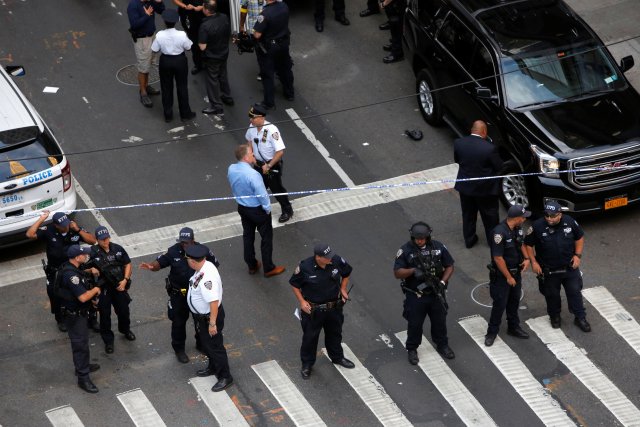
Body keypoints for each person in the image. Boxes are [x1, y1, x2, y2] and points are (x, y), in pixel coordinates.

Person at [139, 227, 220, 363]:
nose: (184, 245)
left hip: (197, 295)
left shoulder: (201, 251)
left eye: (187, 242)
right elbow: (159, 263)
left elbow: (214, 265)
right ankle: (179, 349)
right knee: (178, 323)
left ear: (193, 241)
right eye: (182, 242)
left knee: (200, 321)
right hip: (179, 295)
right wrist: (151, 266)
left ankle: (201, 344)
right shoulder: (173, 251)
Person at [290, 243, 355, 379]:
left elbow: (347, 272)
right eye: (327, 257)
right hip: (313, 310)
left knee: (335, 334)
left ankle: (337, 357)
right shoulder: (304, 267)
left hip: (333, 308)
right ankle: (307, 364)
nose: (330, 259)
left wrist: (343, 288)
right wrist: (302, 302)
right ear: (318, 257)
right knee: (310, 338)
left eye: (330, 256)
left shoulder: (336, 260)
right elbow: (294, 285)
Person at [524, 201, 591, 332]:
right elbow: (528, 245)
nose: (549, 218)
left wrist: (577, 255)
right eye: (547, 215)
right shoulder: (537, 226)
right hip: (548, 270)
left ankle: (580, 317)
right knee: (551, 296)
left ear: (560, 214)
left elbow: (580, 237)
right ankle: (555, 317)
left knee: (575, 292)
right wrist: (534, 262)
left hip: (569, 267)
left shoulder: (570, 222)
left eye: (553, 216)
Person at [394, 222, 455, 364]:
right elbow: (397, 273)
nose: (420, 240)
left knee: (440, 322)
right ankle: (412, 349)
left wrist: (443, 282)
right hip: (416, 295)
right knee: (415, 324)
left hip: (436, 293)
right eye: (417, 238)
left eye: (422, 238)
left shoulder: (438, 247)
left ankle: (442, 345)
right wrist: (413, 271)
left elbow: (450, 265)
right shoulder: (405, 250)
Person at [26, 210, 97, 332]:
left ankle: (92, 319)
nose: (66, 226)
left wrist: (78, 230)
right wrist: (42, 219)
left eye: (67, 223)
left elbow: (92, 241)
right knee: (54, 294)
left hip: (75, 269)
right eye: (63, 225)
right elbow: (30, 234)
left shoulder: (74, 228)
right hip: (56, 271)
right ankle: (60, 319)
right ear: (56, 225)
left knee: (85, 290)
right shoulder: (49, 231)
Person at [227, 143, 286, 278]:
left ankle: (252, 264)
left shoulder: (231, 169)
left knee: (248, 236)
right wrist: (267, 209)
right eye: (252, 154)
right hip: (257, 210)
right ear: (246, 157)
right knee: (266, 238)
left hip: (243, 208)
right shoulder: (253, 175)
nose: (254, 156)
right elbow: (262, 195)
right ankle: (268, 267)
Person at [185, 243, 233, 392]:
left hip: (209, 318)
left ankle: (225, 376)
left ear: (193, 261)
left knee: (215, 347)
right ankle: (213, 367)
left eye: (187, 259)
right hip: (203, 317)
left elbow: (213, 302)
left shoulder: (207, 278)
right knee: (208, 345)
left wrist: (212, 324)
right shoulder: (204, 266)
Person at [484, 204, 531, 347]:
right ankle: (491, 333)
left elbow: (521, 243)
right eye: (523, 217)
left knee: (514, 301)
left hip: (516, 272)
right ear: (516, 218)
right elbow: (498, 258)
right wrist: (508, 277)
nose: (524, 219)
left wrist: (527, 258)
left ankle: (513, 327)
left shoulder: (517, 229)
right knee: (500, 304)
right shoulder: (499, 233)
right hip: (502, 276)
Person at [57, 245, 102, 393]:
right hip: (75, 316)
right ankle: (83, 378)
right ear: (77, 257)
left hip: (76, 312)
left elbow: (79, 275)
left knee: (82, 343)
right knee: (80, 345)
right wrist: (95, 290)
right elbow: (83, 297)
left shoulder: (71, 267)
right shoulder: (72, 276)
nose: (86, 256)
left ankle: (82, 366)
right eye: (84, 254)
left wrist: (88, 271)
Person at [454, 120, 503, 248]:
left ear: (472, 130)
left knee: (468, 214)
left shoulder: (459, 143)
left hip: (466, 188)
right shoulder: (490, 148)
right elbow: (498, 167)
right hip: (485, 190)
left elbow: (457, 160)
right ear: (484, 132)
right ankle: (493, 242)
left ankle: (469, 240)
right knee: (490, 216)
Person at [88, 226, 136, 355]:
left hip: (118, 285)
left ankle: (125, 330)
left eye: (107, 238)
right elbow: (81, 268)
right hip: (103, 288)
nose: (106, 241)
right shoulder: (93, 252)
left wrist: (125, 279)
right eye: (102, 239)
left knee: (124, 311)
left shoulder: (118, 249)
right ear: (97, 240)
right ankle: (108, 341)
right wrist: (91, 270)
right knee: (105, 316)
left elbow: (128, 263)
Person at [246, 103, 294, 223]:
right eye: (250, 117)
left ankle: (287, 210)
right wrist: (250, 155)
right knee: (257, 188)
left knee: (277, 189)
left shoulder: (272, 130)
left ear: (261, 117)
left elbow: (279, 152)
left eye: (253, 117)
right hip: (257, 164)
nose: (250, 119)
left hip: (271, 165)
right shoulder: (251, 127)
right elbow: (249, 141)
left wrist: (269, 165)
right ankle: (260, 210)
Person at [151, 9, 197, 123]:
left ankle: (168, 114)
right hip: (180, 61)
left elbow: (154, 49)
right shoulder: (181, 34)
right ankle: (185, 114)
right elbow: (188, 47)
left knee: (166, 87)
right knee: (182, 87)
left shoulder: (160, 34)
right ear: (176, 22)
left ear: (165, 22)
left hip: (165, 61)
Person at [253, 0, 295, 109]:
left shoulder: (265, 14)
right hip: (284, 43)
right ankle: (289, 93)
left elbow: (257, 34)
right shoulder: (284, 6)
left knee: (267, 75)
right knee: (285, 69)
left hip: (270, 47)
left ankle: (269, 103)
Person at [127, 0, 165, 108]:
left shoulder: (150, 2)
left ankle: (146, 85)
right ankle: (143, 92)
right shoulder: (133, 5)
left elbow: (162, 11)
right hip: (142, 40)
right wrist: (147, 15)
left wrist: (159, 2)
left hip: (152, 36)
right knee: (143, 67)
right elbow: (134, 25)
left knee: (149, 64)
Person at [199, 1, 234, 116]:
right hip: (224, 52)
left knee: (212, 80)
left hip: (212, 56)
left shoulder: (205, 26)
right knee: (223, 74)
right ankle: (227, 96)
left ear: (207, 10)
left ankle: (216, 106)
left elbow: (202, 46)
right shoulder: (224, 17)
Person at [173, 0, 204, 74]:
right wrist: (185, 6)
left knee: (206, 40)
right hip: (188, 16)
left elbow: (212, 2)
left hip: (203, 15)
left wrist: (202, 7)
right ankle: (198, 65)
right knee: (193, 42)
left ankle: (209, 62)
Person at [239, 0, 265, 81]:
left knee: (261, 52)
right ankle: (264, 71)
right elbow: (243, 8)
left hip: (257, 28)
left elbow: (244, 8)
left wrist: (241, 25)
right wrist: (241, 25)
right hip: (259, 29)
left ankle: (264, 71)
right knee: (260, 52)